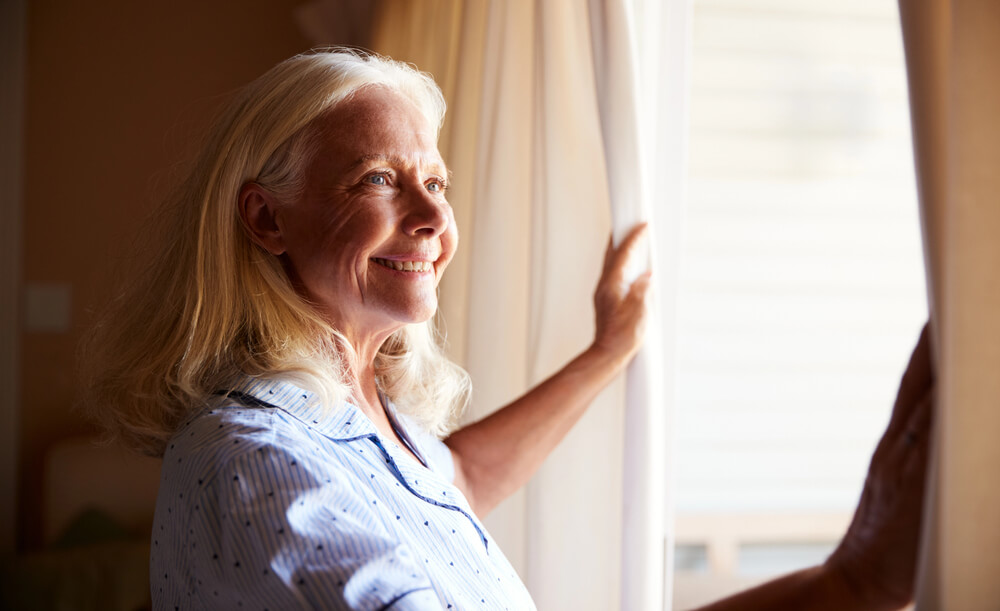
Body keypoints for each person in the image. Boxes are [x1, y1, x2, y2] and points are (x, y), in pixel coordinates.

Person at [82, 49, 933, 610]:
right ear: (268, 221)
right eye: (379, 179)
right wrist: (848, 580)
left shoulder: (354, 423)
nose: (431, 219)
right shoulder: (254, 460)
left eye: (438, 183)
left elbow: (459, 477)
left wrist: (608, 351)